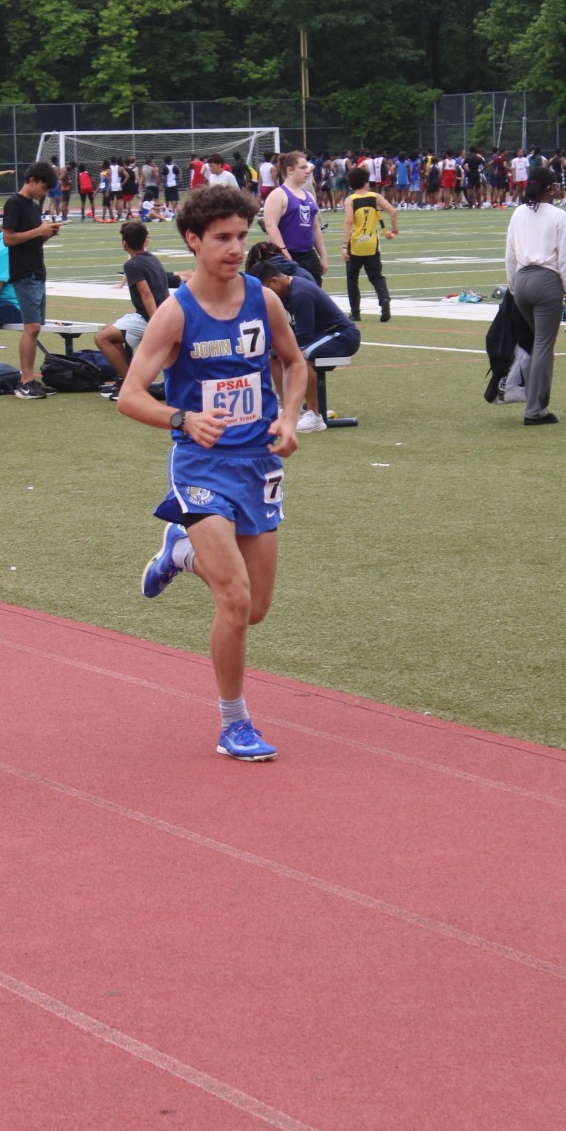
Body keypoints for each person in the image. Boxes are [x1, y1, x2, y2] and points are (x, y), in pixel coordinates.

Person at [117, 185, 307, 762]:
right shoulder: (176, 313)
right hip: (200, 466)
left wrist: (290, 417)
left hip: (259, 464)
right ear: (193, 240)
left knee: (257, 608)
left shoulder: (263, 300)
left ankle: (179, 554)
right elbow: (130, 395)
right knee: (235, 597)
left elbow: (294, 363)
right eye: (222, 237)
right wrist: (182, 418)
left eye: (241, 236)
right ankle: (234, 723)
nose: (234, 248)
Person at [504, 165, 566, 425]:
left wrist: (513, 286)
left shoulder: (518, 212)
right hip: (546, 281)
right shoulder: (560, 216)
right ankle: (535, 409)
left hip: (522, 280)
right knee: (543, 345)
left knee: (538, 341)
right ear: (553, 188)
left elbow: (510, 254)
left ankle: (529, 397)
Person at [250, 260, 360, 432]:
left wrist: (279, 348)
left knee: (301, 356)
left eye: (265, 290)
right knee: (274, 356)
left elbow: (304, 335)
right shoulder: (285, 292)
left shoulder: (300, 293)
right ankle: (284, 409)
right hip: (321, 335)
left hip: (341, 335)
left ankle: (314, 415)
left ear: (274, 281)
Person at [95, 222, 174, 401]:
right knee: (108, 330)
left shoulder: (132, 264)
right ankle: (128, 379)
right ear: (145, 240)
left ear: (124, 243)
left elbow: (146, 295)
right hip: (158, 313)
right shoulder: (152, 258)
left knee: (101, 338)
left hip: (149, 317)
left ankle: (130, 385)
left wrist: (156, 323)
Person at [1, 161, 60, 399]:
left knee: (35, 328)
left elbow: (30, 241)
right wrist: (38, 231)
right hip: (24, 273)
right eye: (43, 188)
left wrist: (46, 234)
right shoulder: (14, 203)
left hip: (36, 271)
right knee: (31, 327)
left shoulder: (33, 207)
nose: (44, 193)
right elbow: (8, 239)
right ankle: (25, 381)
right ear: (32, 180)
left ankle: (30, 380)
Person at [261, 150, 328, 286]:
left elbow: (315, 229)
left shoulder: (309, 196)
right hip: (287, 256)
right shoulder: (278, 194)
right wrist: (286, 255)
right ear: (290, 170)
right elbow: (271, 226)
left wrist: (323, 256)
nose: (307, 171)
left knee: (314, 294)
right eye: (302, 168)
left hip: (309, 256)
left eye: (307, 167)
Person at [342, 165, 396, 322]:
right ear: (366, 182)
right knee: (376, 276)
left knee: (352, 279)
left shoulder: (350, 200)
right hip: (372, 244)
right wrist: (393, 230)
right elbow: (393, 211)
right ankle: (384, 299)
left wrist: (344, 246)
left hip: (355, 244)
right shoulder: (375, 197)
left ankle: (355, 312)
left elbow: (348, 222)